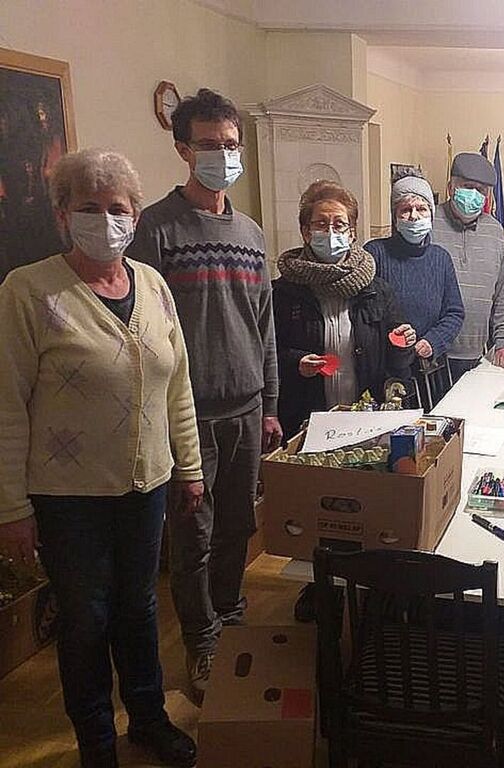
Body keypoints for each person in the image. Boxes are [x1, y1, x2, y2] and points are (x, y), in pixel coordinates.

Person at [0, 150, 201, 768]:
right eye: (90, 207)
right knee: (86, 618)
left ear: (134, 217)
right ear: (63, 215)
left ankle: (148, 718)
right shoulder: (28, 291)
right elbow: (6, 405)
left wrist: (190, 468)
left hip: (147, 485)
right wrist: (11, 508)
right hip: (69, 497)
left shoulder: (153, 285)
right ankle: (95, 741)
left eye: (118, 208)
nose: (106, 220)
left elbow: (177, 385)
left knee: (140, 607)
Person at [125, 88, 282, 704]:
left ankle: (231, 613)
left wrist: (271, 405)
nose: (223, 155)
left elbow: (264, 326)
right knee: (193, 537)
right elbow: (141, 329)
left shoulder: (251, 233)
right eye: (210, 144)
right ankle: (202, 639)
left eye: (231, 144)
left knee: (239, 525)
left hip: (247, 408)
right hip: (187, 416)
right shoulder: (154, 229)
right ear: (183, 148)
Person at [274, 180, 416, 439]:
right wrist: (296, 362)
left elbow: (398, 362)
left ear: (352, 233)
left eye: (339, 224)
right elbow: (269, 353)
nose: (330, 232)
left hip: (366, 419)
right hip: (306, 418)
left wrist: (404, 343)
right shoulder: (284, 291)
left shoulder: (377, 291)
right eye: (320, 224)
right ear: (306, 232)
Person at [430, 152, 504, 384]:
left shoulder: (495, 231)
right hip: (431, 354)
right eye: (467, 187)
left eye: (481, 190)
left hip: (477, 354)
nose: (474, 194)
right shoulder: (428, 223)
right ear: (451, 188)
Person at [365, 174, 465, 370]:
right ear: (395, 217)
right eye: (405, 210)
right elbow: (363, 314)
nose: (414, 216)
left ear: (431, 215)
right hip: (383, 364)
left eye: (421, 209)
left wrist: (432, 341)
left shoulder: (441, 258)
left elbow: (454, 312)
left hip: (428, 366)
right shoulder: (374, 253)